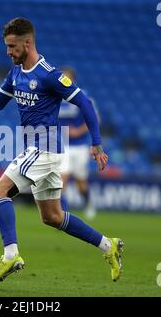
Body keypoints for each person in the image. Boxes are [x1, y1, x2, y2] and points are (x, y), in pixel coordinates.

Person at [0, 18, 124, 283]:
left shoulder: (50, 75)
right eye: (7, 46)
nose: (8, 52)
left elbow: (85, 103)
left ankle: (11, 255)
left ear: (27, 43)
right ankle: (107, 246)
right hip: (42, 150)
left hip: (44, 146)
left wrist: (96, 143)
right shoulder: (16, 72)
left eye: (12, 46)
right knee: (53, 217)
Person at [58, 67, 98, 219]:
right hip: (62, 145)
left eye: (66, 78)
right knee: (62, 179)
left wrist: (79, 131)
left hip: (80, 146)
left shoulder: (83, 96)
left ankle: (87, 202)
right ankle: (62, 214)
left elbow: (94, 119)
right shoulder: (54, 96)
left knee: (81, 183)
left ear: (73, 80)